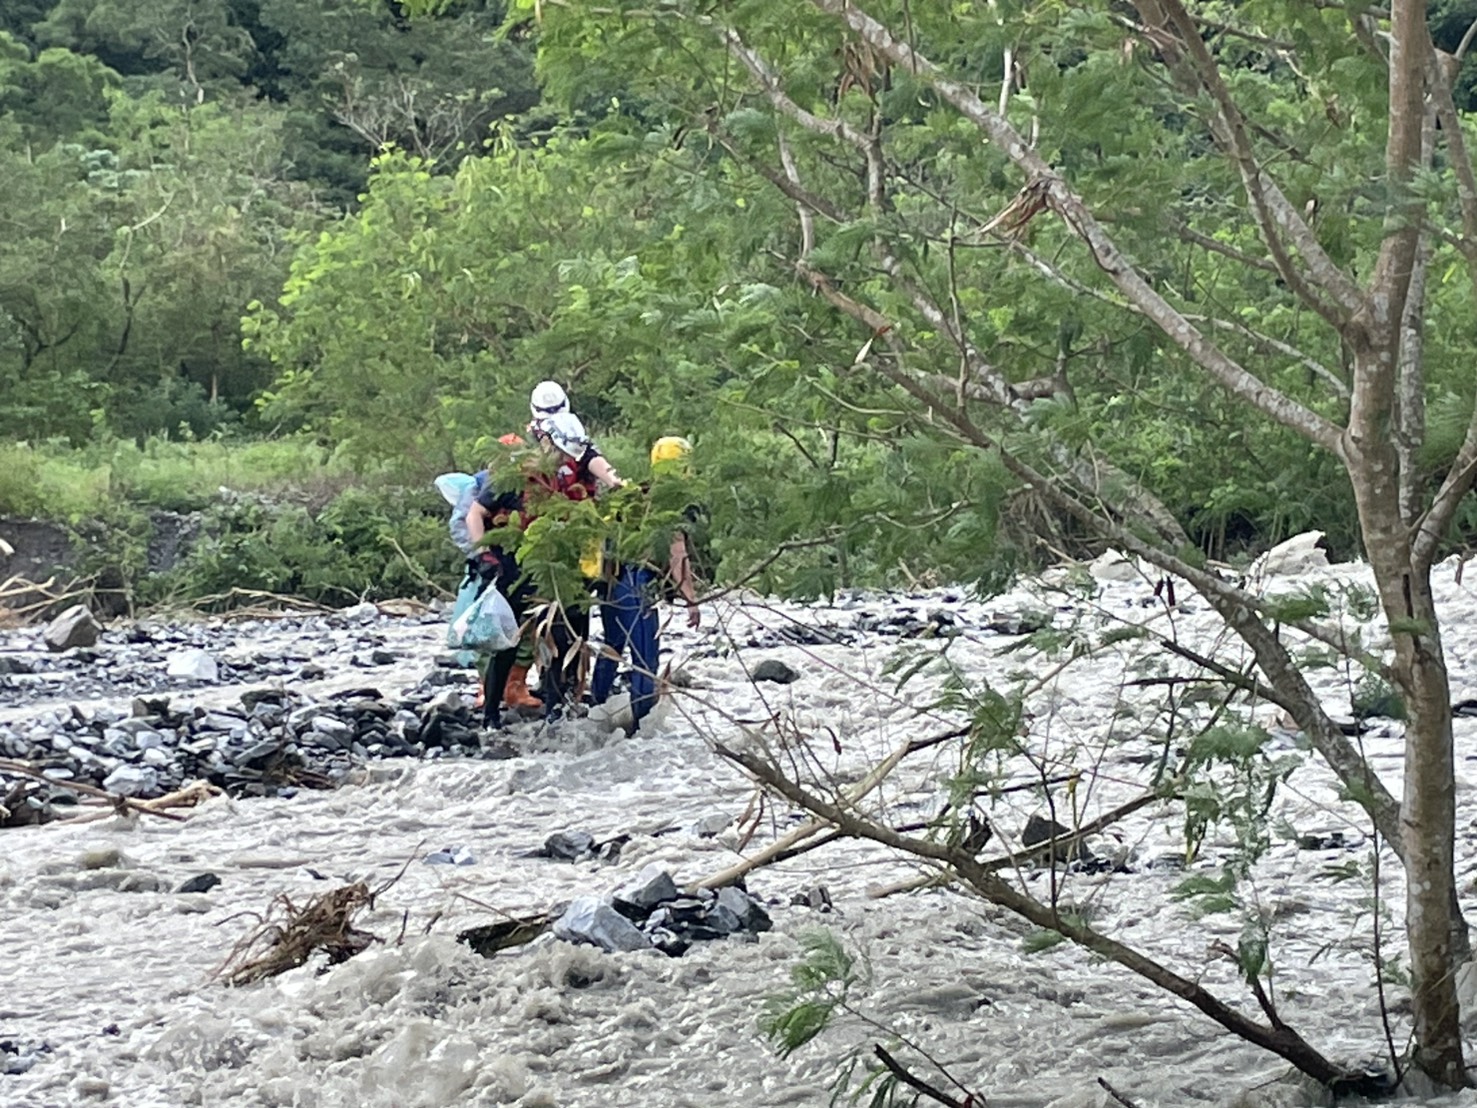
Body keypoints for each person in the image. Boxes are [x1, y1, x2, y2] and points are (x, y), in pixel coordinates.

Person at [589, 436, 704, 734]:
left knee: (612, 646)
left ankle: (594, 713)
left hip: (609, 581)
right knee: (644, 657)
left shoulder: (634, 493)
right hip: (637, 583)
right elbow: (677, 553)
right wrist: (690, 599)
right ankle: (640, 727)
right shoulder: (675, 501)